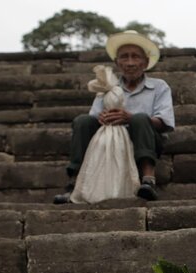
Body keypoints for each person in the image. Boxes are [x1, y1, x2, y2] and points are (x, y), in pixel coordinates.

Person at [54, 30, 175, 203]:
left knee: (140, 118)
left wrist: (129, 117)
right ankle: (74, 183)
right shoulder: (107, 86)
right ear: (117, 63)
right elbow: (94, 116)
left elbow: (164, 122)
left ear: (146, 62)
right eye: (124, 57)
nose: (130, 63)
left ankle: (148, 180)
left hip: (143, 142)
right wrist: (103, 118)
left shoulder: (159, 87)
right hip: (109, 144)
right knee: (82, 122)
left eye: (136, 57)